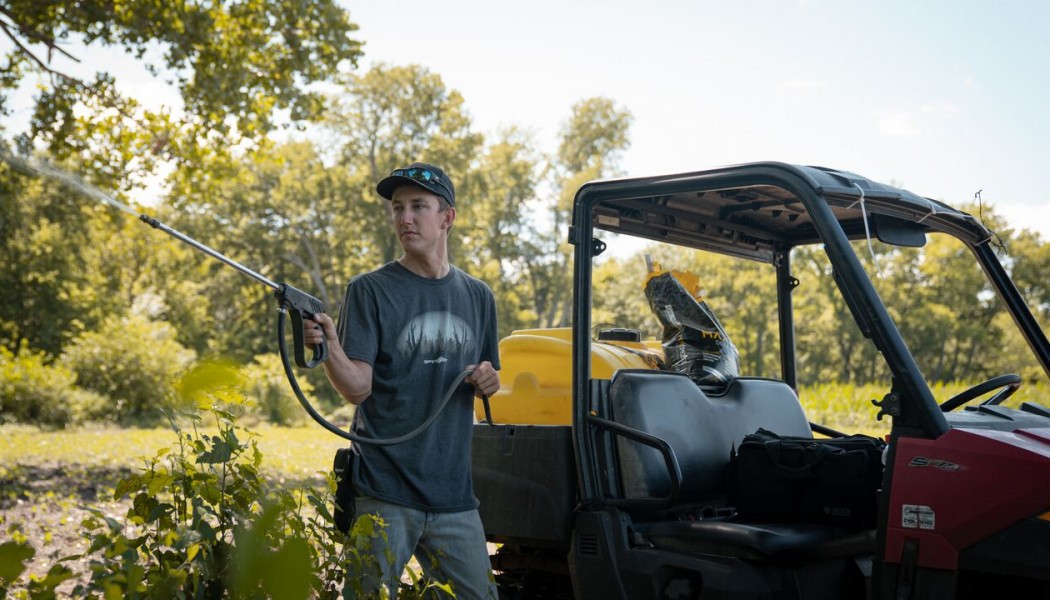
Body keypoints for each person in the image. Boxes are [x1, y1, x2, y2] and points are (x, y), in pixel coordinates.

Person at [303, 162, 501, 599]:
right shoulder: (371, 290)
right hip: (384, 489)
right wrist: (331, 346)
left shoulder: (479, 296)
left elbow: (490, 374)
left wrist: (489, 380)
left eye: (417, 207)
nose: (404, 218)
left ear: (446, 217)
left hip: (454, 495)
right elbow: (357, 388)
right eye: (397, 208)